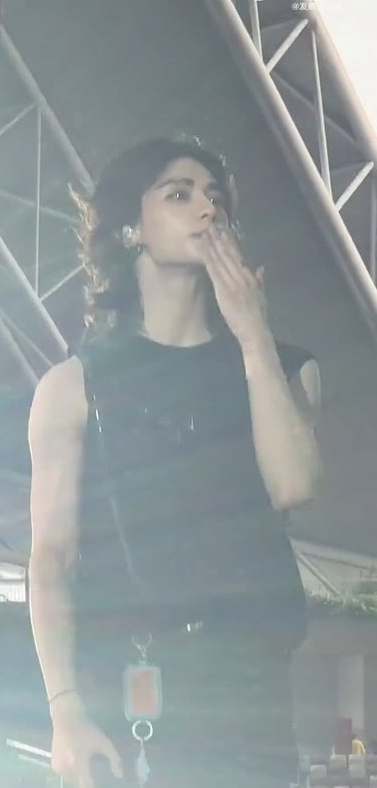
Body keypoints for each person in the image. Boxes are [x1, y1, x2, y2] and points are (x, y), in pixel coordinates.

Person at [28, 137, 323, 788]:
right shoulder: (75, 386)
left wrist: (253, 335)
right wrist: (65, 711)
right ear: (130, 227)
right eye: (179, 194)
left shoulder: (286, 367)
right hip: (128, 685)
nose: (207, 210)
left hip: (251, 693)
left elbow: (294, 484)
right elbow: (51, 560)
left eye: (216, 198)